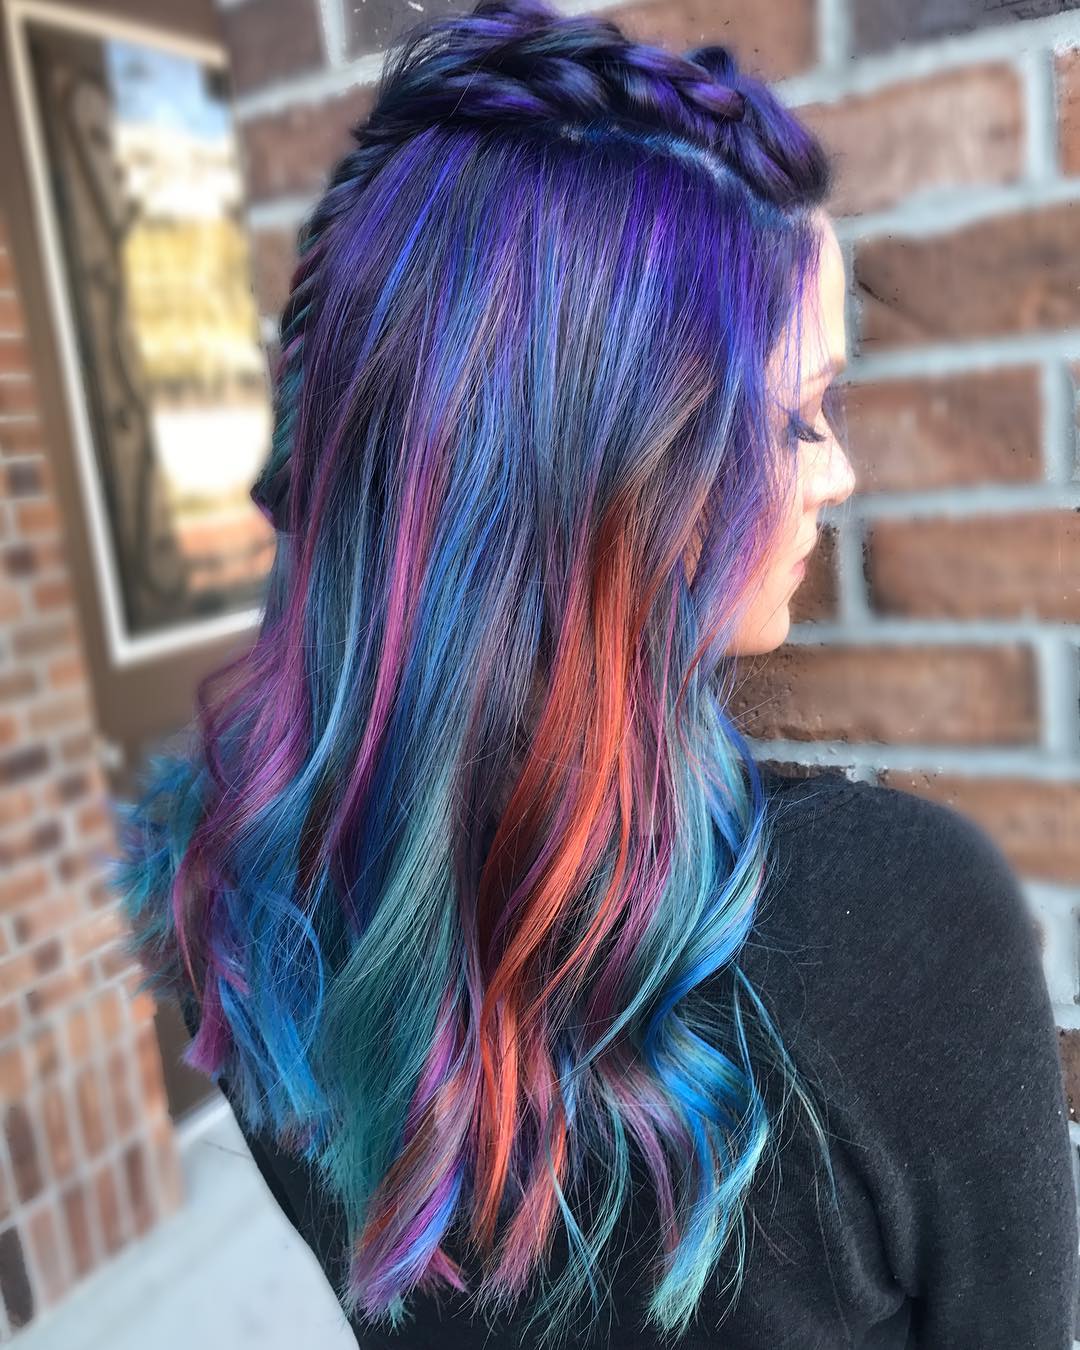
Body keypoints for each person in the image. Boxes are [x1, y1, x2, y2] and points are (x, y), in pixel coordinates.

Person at [106, 1, 1079, 1345]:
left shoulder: (231, 902)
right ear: (617, 478)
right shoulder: (899, 929)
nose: (839, 475)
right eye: (798, 417)